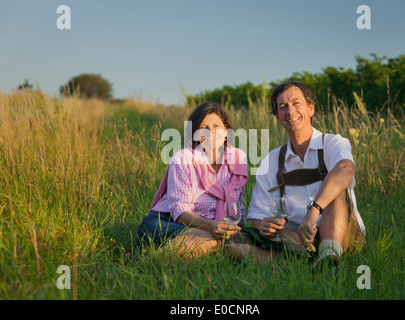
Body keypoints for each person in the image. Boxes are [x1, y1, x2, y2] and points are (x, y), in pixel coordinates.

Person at [245, 81, 366, 268]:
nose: (290, 111)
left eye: (296, 103)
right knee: (238, 242)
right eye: (283, 107)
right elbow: (257, 219)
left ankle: (328, 258)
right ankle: (305, 264)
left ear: (310, 109)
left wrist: (314, 209)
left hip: (343, 233)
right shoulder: (271, 161)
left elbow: (345, 169)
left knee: (335, 188)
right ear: (277, 117)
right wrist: (263, 226)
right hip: (298, 237)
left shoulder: (333, 143)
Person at [137, 102, 248, 258]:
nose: (211, 133)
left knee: (238, 246)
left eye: (216, 126)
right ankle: (145, 264)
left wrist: (232, 229)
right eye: (204, 129)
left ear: (226, 131)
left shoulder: (238, 159)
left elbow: (237, 205)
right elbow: (180, 212)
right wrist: (210, 226)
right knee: (206, 238)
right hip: (166, 222)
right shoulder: (183, 159)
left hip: (213, 228)